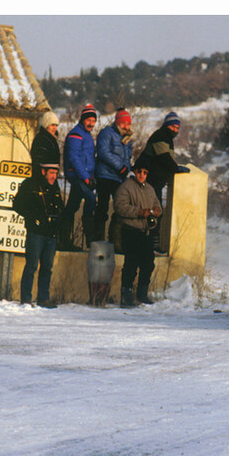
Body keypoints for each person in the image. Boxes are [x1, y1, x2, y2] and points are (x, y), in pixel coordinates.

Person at [132, 111, 190, 255]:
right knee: (154, 212)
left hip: (155, 180)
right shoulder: (161, 136)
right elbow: (164, 157)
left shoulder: (165, 137)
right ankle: (150, 245)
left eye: (177, 128)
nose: (175, 130)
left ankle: (150, 244)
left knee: (155, 212)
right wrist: (176, 169)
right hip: (151, 180)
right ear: (167, 125)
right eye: (173, 127)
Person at [11, 162, 65, 308]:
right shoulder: (30, 185)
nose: (54, 176)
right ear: (43, 172)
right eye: (51, 173)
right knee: (32, 266)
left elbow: (59, 206)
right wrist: (33, 218)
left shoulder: (55, 187)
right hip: (36, 233)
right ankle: (26, 299)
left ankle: (43, 298)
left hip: (51, 233)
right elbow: (17, 205)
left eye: (56, 173)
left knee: (47, 268)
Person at [114, 160, 163, 307]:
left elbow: (157, 205)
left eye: (145, 173)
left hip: (146, 231)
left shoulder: (150, 189)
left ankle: (142, 295)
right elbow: (120, 207)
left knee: (148, 263)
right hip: (130, 230)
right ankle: (126, 296)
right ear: (135, 172)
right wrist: (140, 212)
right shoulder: (126, 187)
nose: (142, 175)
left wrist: (155, 212)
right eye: (140, 172)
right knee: (131, 264)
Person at [60, 104, 98, 250]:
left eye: (93, 121)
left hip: (84, 176)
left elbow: (88, 159)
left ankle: (64, 238)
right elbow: (75, 158)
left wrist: (90, 176)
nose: (91, 123)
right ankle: (90, 238)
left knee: (72, 206)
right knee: (90, 198)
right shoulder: (76, 134)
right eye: (88, 120)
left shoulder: (87, 135)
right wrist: (86, 178)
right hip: (77, 176)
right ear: (82, 120)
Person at [93, 108, 134, 244]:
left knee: (121, 209)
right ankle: (98, 240)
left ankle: (115, 241)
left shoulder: (127, 139)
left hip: (119, 178)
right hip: (105, 176)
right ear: (117, 122)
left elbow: (128, 158)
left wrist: (127, 170)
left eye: (128, 124)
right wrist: (120, 167)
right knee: (102, 208)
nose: (126, 126)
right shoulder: (106, 133)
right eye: (123, 123)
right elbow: (103, 152)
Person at [29, 111, 60, 179]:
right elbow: (38, 162)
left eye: (56, 125)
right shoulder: (41, 139)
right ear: (46, 125)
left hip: (51, 177)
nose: (54, 128)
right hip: (43, 178)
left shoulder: (52, 139)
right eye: (52, 125)